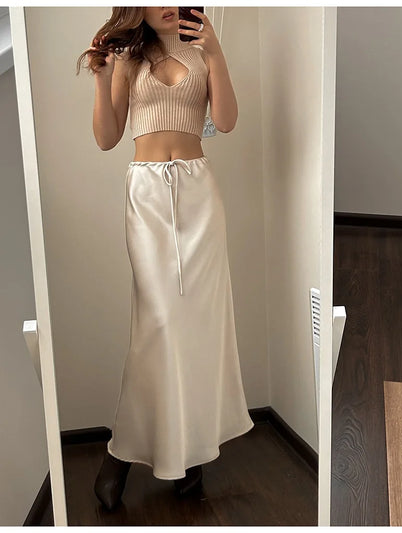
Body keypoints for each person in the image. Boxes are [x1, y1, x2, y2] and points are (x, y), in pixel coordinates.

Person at [77, 6, 254, 511]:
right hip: (147, 195)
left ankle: (190, 456)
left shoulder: (203, 49)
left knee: (198, 327)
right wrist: (102, 78)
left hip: (199, 194)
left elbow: (226, 122)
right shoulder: (129, 58)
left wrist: (215, 52)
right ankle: (120, 454)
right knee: (157, 327)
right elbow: (107, 138)